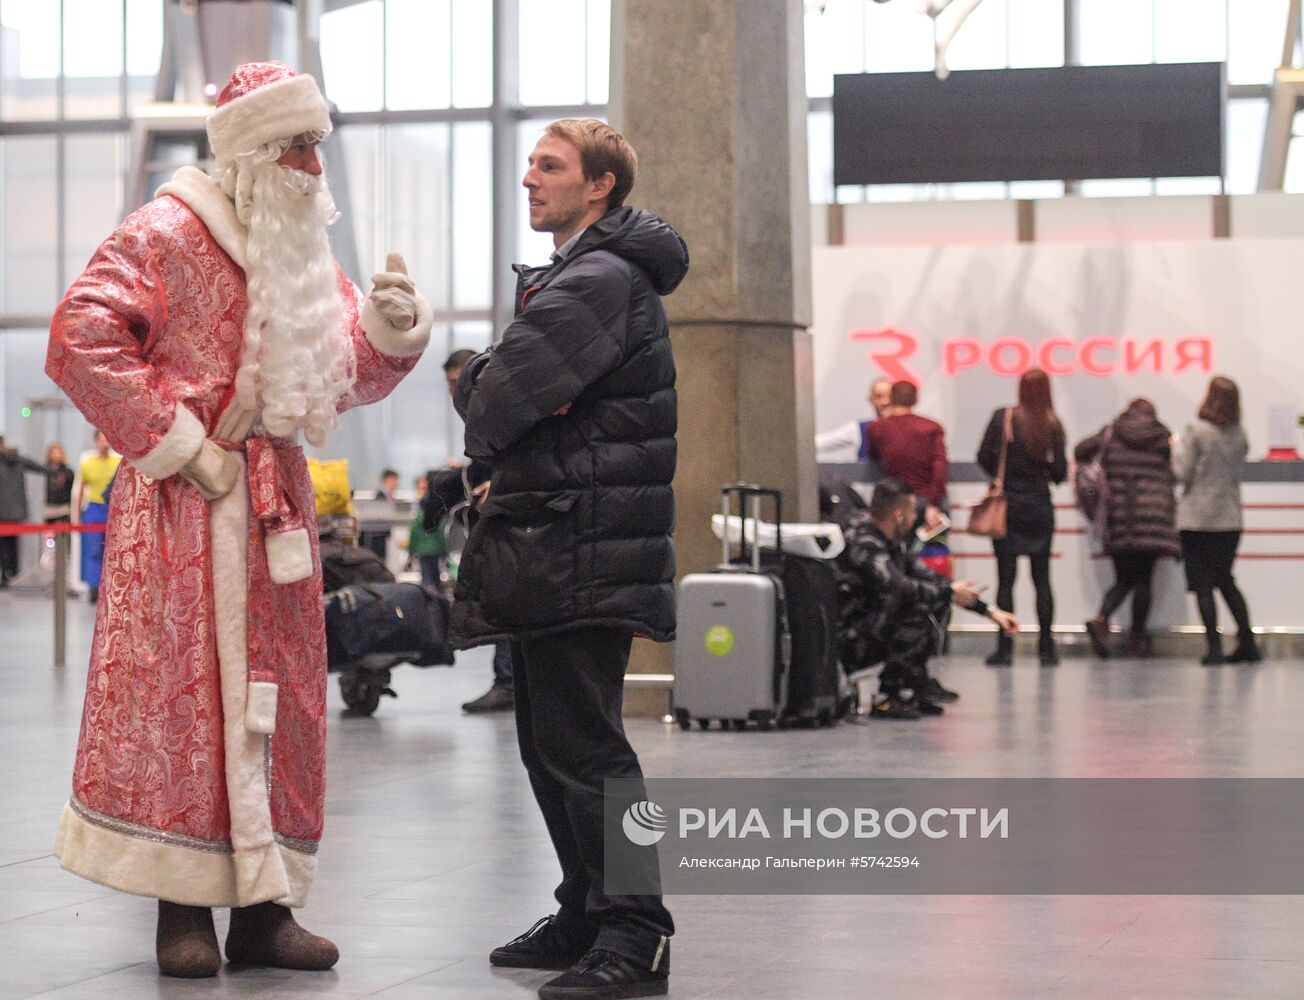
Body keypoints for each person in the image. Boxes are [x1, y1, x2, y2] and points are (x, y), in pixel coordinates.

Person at [45, 62, 432, 978]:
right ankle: (181, 912)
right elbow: (79, 336)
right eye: (297, 144)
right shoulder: (163, 232)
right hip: (185, 504)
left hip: (274, 511)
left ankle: (267, 910)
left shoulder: (299, 248)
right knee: (181, 703)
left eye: (317, 145)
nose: (313, 163)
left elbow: (344, 368)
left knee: (283, 703)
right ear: (254, 151)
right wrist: (182, 443)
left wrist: (385, 330)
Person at [452, 118, 687, 1000]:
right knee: (552, 745)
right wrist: (510, 395)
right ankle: (586, 911)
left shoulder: (594, 280)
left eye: (549, 167)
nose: (528, 179)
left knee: (588, 751)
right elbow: (514, 405)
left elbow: (491, 401)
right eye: (529, 164)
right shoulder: (576, 276)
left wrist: (483, 377)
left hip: (583, 541)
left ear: (600, 187)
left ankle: (639, 932)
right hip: (561, 538)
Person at [838, 477, 1019, 719]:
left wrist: (989, 611)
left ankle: (912, 685)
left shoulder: (891, 541)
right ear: (898, 515)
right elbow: (898, 587)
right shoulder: (864, 542)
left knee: (935, 598)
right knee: (917, 606)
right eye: (912, 512)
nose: (916, 518)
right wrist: (949, 592)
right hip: (850, 633)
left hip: (871, 621)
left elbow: (931, 578)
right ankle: (889, 693)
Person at [976, 369, 1068, 666]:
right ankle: (1046, 647)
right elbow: (1060, 473)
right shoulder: (1051, 423)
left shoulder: (1003, 418)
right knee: (1042, 579)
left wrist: (1003, 475)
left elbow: (983, 456)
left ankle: (1004, 648)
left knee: (1006, 579)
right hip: (1039, 507)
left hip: (1008, 506)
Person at [1076, 399, 1180, 659]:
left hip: (1119, 516)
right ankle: (1137, 639)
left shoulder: (1111, 433)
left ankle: (1102, 618)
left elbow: (1080, 451)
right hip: (1154, 517)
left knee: (1123, 578)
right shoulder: (1162, 435)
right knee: (1144, 580)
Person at [441, 348, 514, 714]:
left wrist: (502, 486)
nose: (454, 392)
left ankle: (507, 682)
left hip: (514, 522)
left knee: (507, 597)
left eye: (457, 382)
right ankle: (508, 681)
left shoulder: (502, 411)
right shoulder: (487, 418)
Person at [1175, 376, 1259, 665]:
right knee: (1225, 580)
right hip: (1230, 517)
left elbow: (1183, 473)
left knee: (1202, 585)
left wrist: (1174, 450)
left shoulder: (1197, 431)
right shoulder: (1240, 434)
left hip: (1197, 519)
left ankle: (1214, 647)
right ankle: (1247, 640)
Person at [864, 380, 948, 532]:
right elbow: (939, 466)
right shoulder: (931, 428)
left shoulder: (877, 428)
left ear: (891, 398)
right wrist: (934, 503)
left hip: (895, 502)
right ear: (915, 399)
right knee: (932, 553)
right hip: (927, 498)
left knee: (895, 551)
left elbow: (874, 456)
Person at [74, 431, 121, 602]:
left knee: (111, 550)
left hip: (111, 508)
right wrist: (78, 515)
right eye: (100, 439)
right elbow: (81, 489)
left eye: (106, 438)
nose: (104, 442)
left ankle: (110, 586)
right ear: (95, 442)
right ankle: (94, 586)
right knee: (93, 549)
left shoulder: (117, 462)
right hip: (93, 509)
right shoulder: (88, 463)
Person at [0, 434, 46, 587]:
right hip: (15, 510)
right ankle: (11, 574)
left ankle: (6, 576)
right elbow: (39, 468)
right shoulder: (17, 458)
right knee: (12, 545)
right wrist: (53, 470)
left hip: (4, 510)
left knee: (4, 545)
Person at [814, 375, 892, 463]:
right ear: (870, 399)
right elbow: (820, 443)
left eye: (890, 396)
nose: (885, 402)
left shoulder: (909, 429)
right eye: (879, 397)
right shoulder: (859, 429)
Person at [359, 467, 400, 560]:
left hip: (380, 536)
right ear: (388, 479)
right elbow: (380, 517)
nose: (397, 483)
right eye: (395, 480)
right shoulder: (380, 496)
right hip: (376, 537)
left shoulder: (388, 496)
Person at [44, 443, 75, 523]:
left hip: (64, 509)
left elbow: (72, 490)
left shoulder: (69, 472)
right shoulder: (44, 471)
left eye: (59, 453)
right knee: (48, 534)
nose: (56, 456)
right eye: (54, 453)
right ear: (49, 455)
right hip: (49, 509)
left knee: (63, 534)